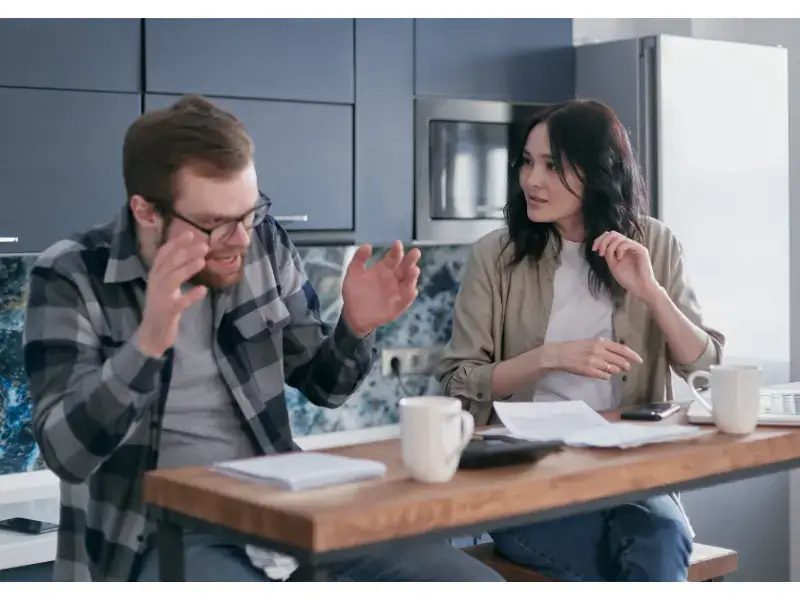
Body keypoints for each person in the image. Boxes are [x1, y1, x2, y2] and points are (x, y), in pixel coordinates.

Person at [23, 94, 504, 583]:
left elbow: (325, 387)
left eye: (250, 213)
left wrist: (356, 326)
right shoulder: (72, 273)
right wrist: (146, 344)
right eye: (215, 224)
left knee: (474, 584)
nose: (241, 239)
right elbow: (67, 453)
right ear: (146, 211)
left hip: (282, 509)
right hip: (157, 532)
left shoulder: (264, 242)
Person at [435, 99, 726, 582]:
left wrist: (651, 292)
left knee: (663, 536)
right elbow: (456, 380)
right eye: (527, 162)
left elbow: (706, 367)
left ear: (597, 171)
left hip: (630, 472)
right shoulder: (495, 255)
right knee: (624, 565)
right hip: (529, 474)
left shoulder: (654, 244)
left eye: (552, 166)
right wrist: (549, 358)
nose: (532, 179)